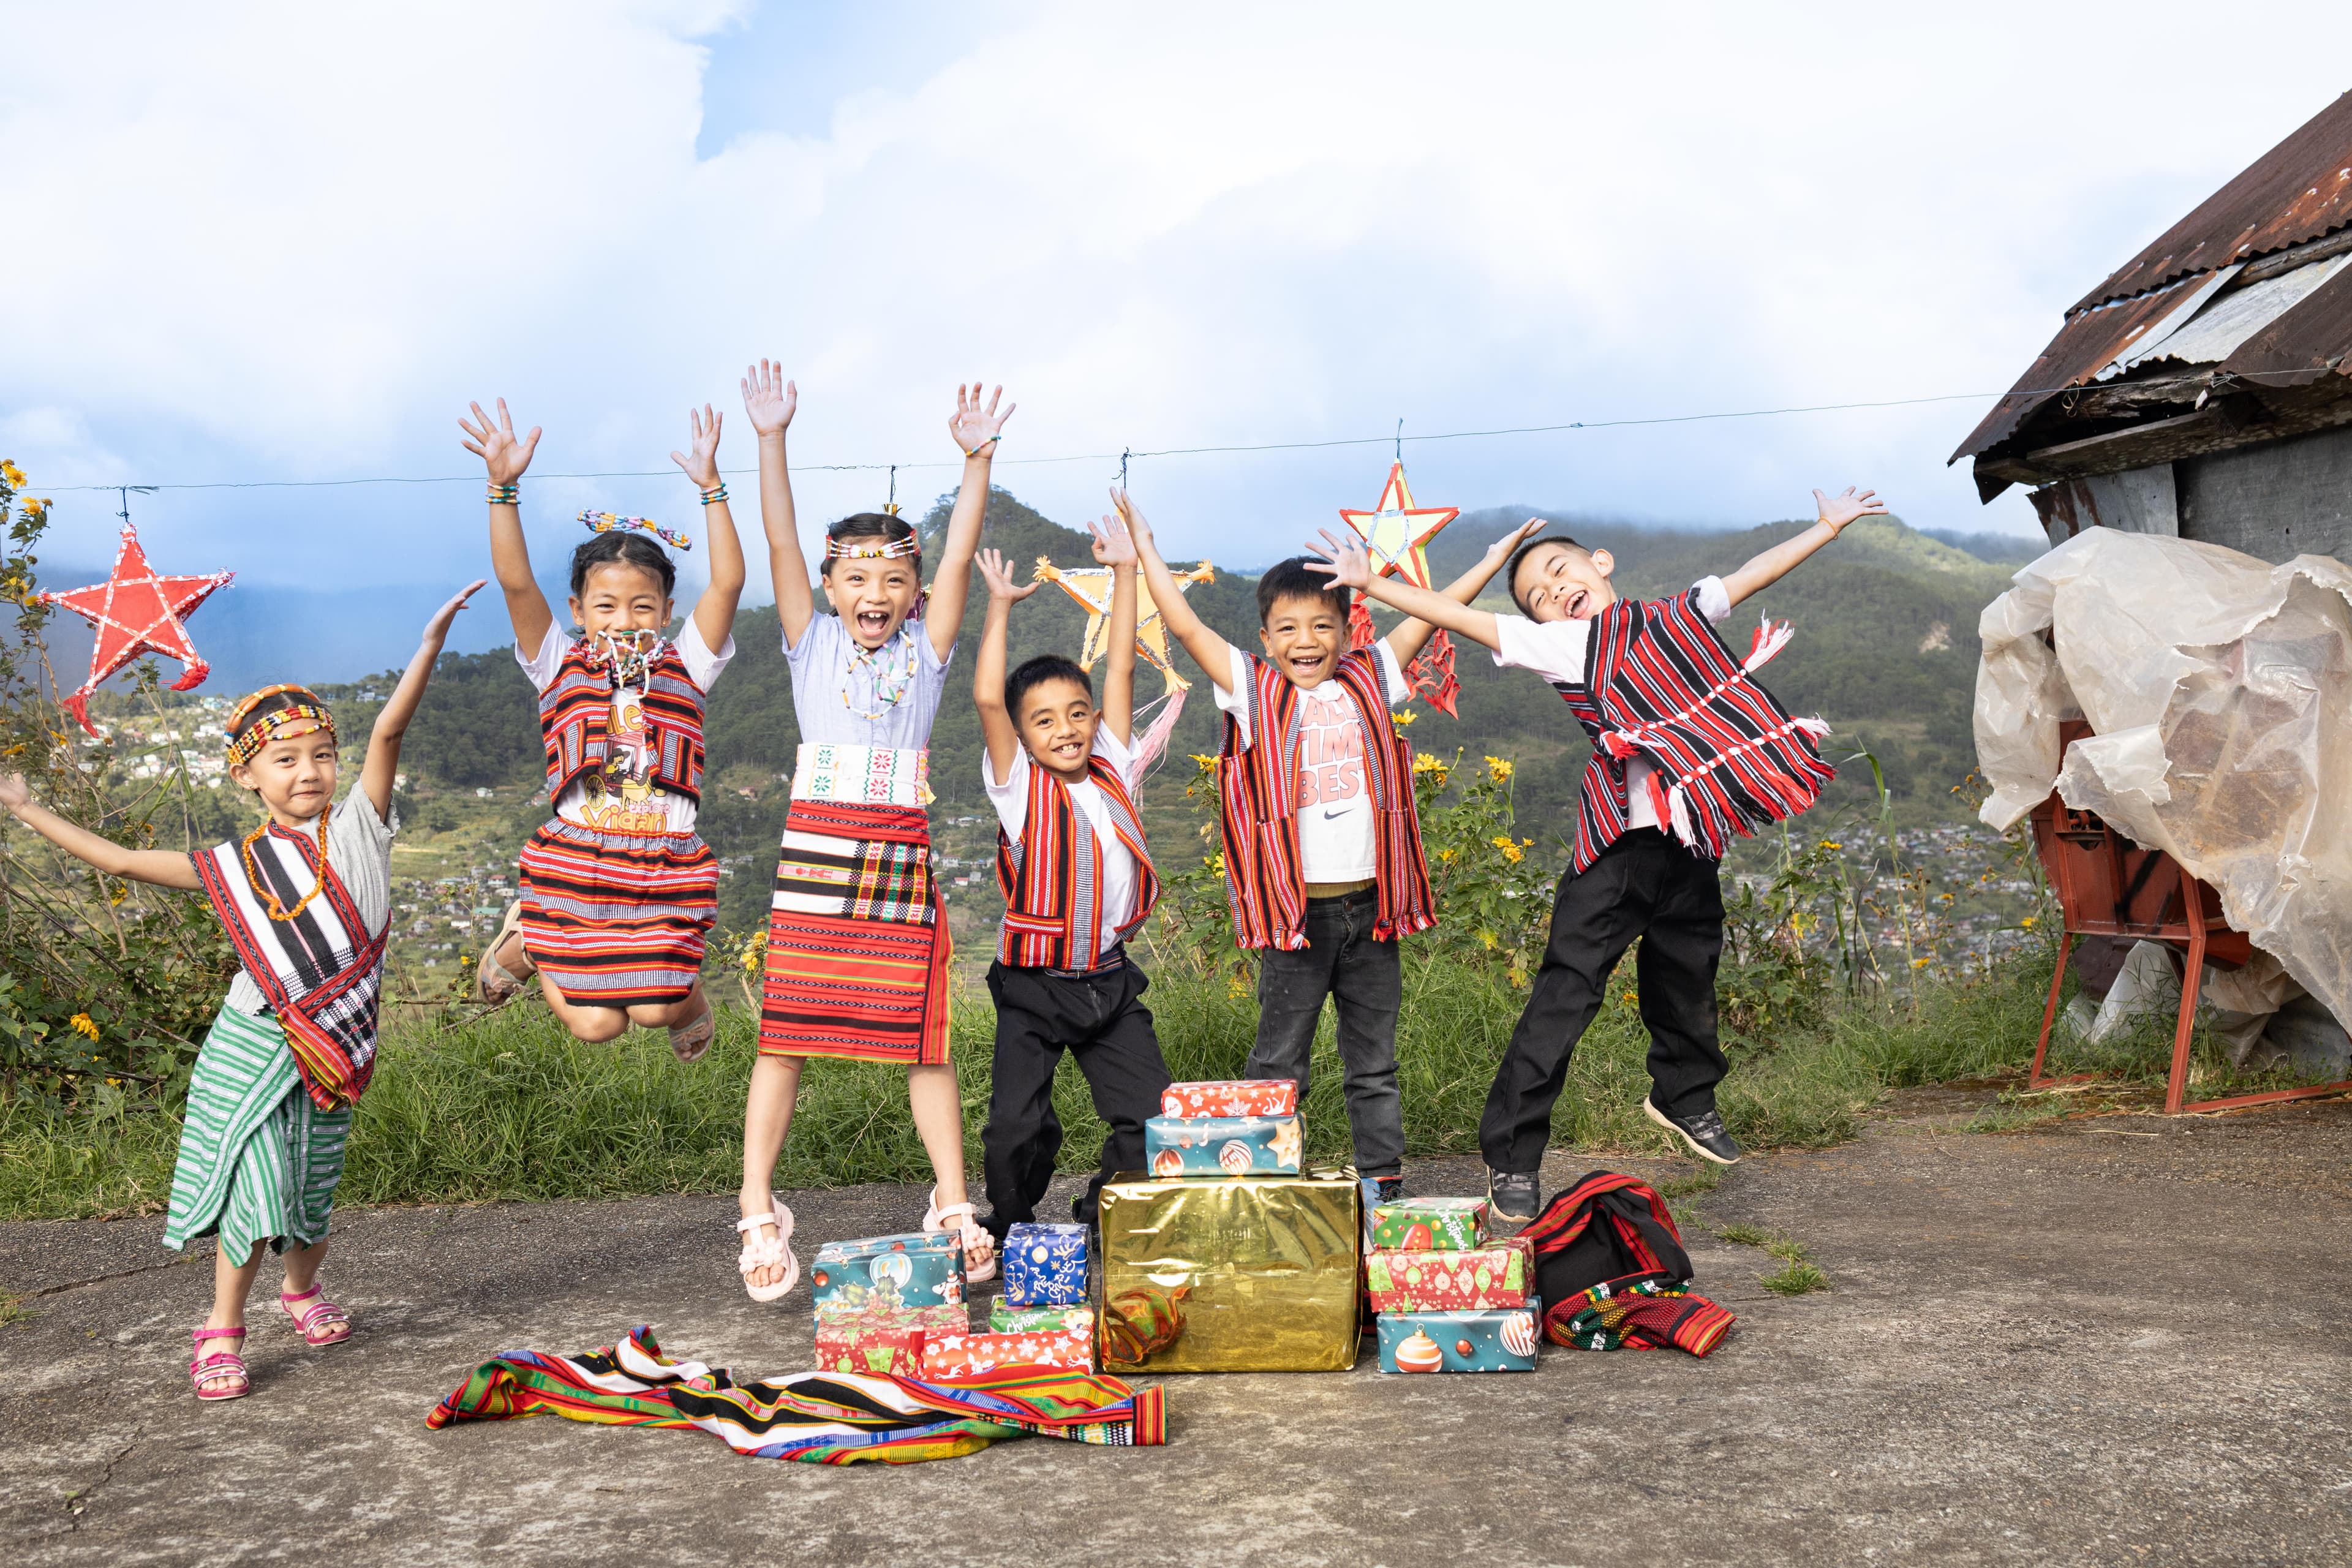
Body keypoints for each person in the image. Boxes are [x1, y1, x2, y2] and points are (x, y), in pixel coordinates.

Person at [1311, 487, 1887, 1226]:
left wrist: (1827, 527)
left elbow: (1755, 573)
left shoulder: (1677, 615)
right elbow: (1453, 615)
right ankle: (1512, 1154)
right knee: (1568, 991)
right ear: (1536, 620)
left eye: (1560, 571)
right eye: (1537, 595)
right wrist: (1370, 584)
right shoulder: (1562, 645)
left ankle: (1683, 1097)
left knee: (1688, 972)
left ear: (1602, 564)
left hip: (1689, 833)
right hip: (1616, 844)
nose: (1554, 590)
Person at [0, 584, 482, 1401]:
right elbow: (117, 862)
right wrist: (24, 806)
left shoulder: (365, 823)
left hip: (337, 1048)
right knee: (256, 1195)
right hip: (257, 1045)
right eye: (285, 760)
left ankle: (300, 1290)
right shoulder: (235, 865)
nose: (308, 772)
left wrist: (429, 644)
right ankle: (222, 1329)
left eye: (320, 755)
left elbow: (390, 728)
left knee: (311, 1194)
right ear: (248, 775)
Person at [1126, 489, 1540, 1200]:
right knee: (1280, 1061)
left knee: (1372, 1064)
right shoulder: (1251, 689)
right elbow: (1186, 626)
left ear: (1347, 632)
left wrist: (1494, 558)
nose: (1306, 641)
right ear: (1264, 639)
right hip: (1297, 921)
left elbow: (1428, 612)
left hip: (1373, 910)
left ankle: (1384, 1188)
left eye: (1322, 625)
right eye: (1287, 628)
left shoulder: (1369, 676)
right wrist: (1148, 550)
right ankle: (1260, 1182)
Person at [733, 361, 1012, 1301]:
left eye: (895, 577)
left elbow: (962, 550)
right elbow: (777, 537)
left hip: (899, 850)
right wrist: (771, 439)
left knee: (924, 1039)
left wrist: (975, 464)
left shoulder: (928, 654)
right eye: (857, 576)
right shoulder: (809, 644)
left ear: (916, 588)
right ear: (827, 585)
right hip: (815, 851)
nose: (876, 591)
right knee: (785, 1037)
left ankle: (954, 1202)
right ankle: (758, 1209)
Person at [462, 397, 745, 1062]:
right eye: (606, 604)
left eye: (642, 604)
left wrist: (712, 488)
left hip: (664, 857)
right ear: (578, 610)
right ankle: (533, 940)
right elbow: (513, 580)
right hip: (579, 854)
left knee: (657, 1008)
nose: (624, 618)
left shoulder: (686, 664)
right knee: (598, 1026)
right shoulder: (558, 662)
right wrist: (503, 489)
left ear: (668, 609)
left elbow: (729, 580)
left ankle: (687, 996)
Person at [970, 519, 1174, 1238]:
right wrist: (999, 606)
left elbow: (1119, 668)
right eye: (1046, 721)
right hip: (1035, 982)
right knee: (1015, 1127)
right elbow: (990, 699)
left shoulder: (1114, 764)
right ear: (1023, 739)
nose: (1067, 729)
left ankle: (1103, 1206)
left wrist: (1125, 572)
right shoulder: (1019, 790)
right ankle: (1013, 1223)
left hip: (1108, 981)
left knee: (1152, 1119)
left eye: (1077, 714)